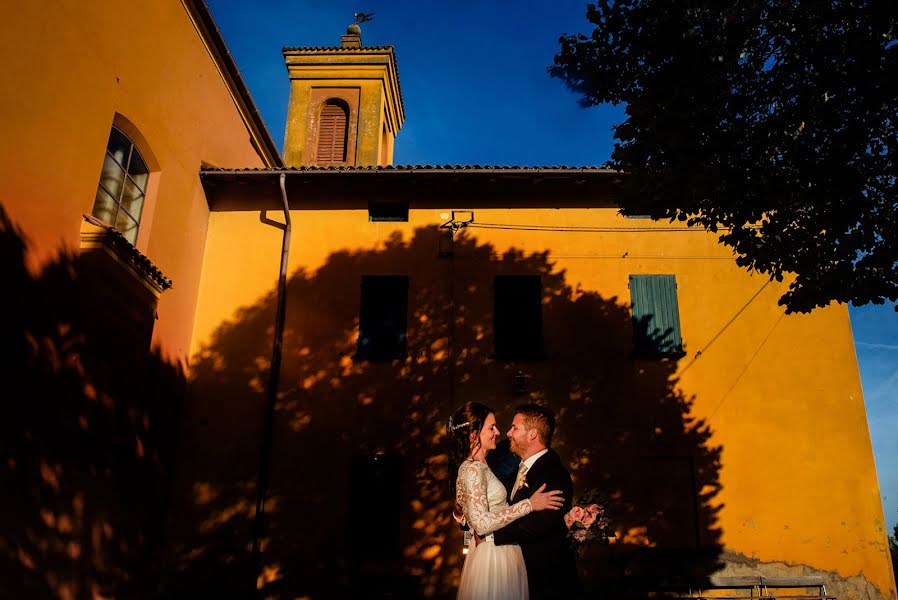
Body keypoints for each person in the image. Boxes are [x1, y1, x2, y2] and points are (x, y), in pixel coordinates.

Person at [449, 401, 565, 600]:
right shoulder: (473, 469)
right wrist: (529, 504)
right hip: (494, 557)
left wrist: (462, 514)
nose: (499, 432)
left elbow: (476, 513)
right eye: (491, 427)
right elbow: (481, 523)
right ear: (474, 434)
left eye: (510, 427)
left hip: (507, 552)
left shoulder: (490, 462)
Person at [493, 404, 581, 600]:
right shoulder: (517, 470)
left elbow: (538, 525)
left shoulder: (554, 473)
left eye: (514, 427)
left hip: (546, 581)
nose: (508, 433)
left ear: (532, 434)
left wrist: (493, 534)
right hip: (521, 575)